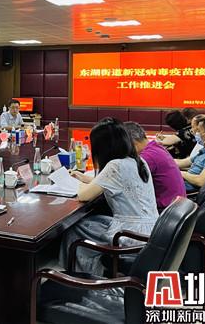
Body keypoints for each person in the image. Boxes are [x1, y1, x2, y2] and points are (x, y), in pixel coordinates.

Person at [60, 118, 158, 276]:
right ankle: (91, 271)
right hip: (150, 229)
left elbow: (83, 195)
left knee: (75, 228)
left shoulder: (115, 165)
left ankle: (82, 277)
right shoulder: (138, 161)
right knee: (92, 221)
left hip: (130, 234)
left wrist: (74, 182)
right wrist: (84, 178)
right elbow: (117, 183)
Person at [124, 121, 186, 211]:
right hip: (176, 205)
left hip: (165, 209)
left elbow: (126, 180)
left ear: (132, 143)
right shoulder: (154, 147)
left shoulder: (147, 156)